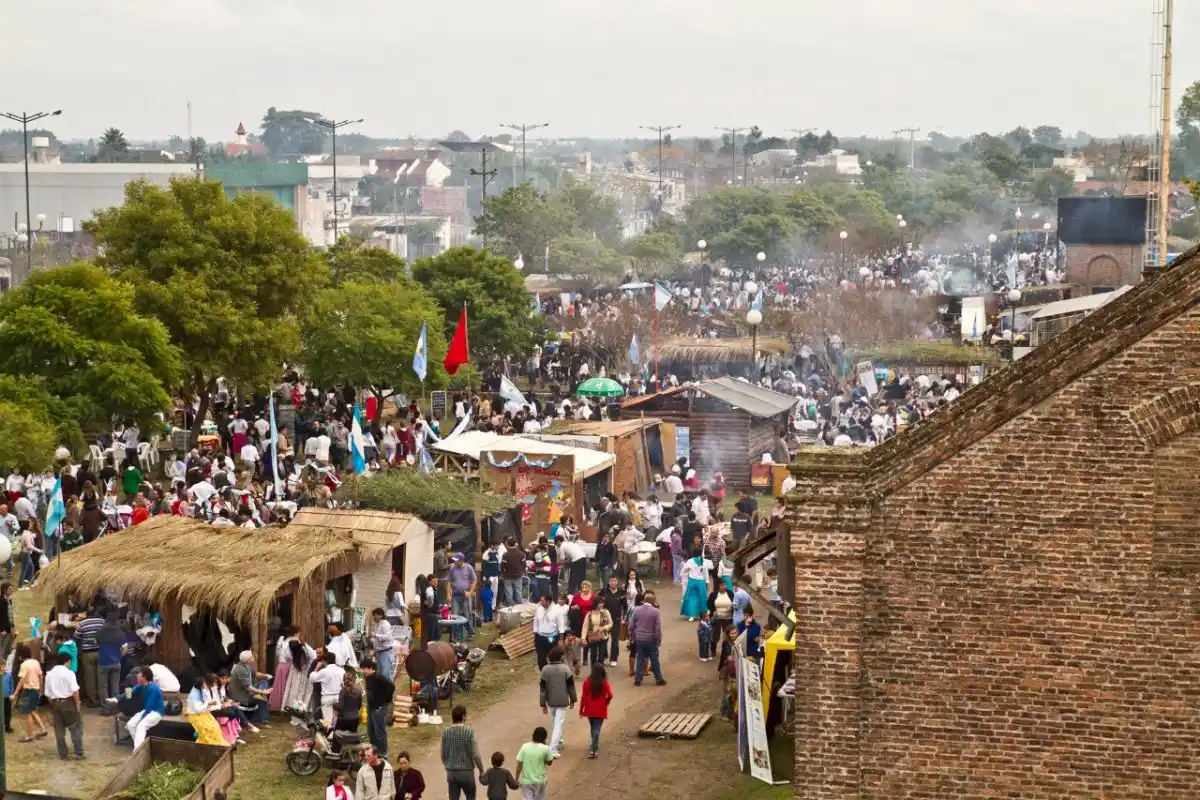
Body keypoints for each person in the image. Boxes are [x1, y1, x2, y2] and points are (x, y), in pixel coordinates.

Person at [45, 651, 85, 760]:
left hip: (55, 703)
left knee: (59, 730)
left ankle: (63, 754)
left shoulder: (49, 674)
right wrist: (78, 703)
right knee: (75, 728)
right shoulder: (69, 673)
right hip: (68, 702)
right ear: (67, 662)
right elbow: (75, 691)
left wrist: (54, 704)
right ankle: (79, 753)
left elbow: (48, 694)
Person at [440, 705, 485, 800]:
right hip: (466, 772)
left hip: (451, 773)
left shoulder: (446, 732)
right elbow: (476, 755)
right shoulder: (469, 732)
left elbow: (443, 755)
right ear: (463, 716)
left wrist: (448, 766)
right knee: (470, 796)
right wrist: (481, 770)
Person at [538, 646, 576, 757]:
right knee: (558, 723)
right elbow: (571, 687)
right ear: (561, 657)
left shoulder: (545, 670)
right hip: (562, 701)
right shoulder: (565, 669)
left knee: (555, 721)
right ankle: (552, 749)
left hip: (551, 701)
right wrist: (573, 699)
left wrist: (543, 704)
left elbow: (543, 689)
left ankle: (559, 741)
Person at [628, 590, 666, 687]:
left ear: (644, 600)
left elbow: (631, 625)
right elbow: (658, 628)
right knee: (654, 659)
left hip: (639, 639)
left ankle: (638, 680)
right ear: (653, 601)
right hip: (651, 639)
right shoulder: (656, 612)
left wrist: (632, 636)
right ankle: (659, 679)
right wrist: (658, 639)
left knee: (639, 658)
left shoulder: (637, 610)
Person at [11, 644, 48, 743]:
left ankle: (30, 736)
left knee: (28, 713)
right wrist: (41, 690)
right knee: (33, 711)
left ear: (21, 656)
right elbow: (41, 676)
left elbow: (21, 681)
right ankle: (43, 729)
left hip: (28, 690)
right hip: (36, 689)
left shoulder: (24, 665)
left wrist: (14, 694)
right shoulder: (35, 662)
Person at [578, 662, 612, 759]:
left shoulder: (587, 682)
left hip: (589, 708)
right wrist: (606, 702)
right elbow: (610, 695)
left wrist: (581, 709)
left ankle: (593, 744)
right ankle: (594, 749)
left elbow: (584, 697)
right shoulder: (604, 682)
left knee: (593, 727)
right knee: (597, 728)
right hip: (600, 708)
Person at [362, 659, 395, 758]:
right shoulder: (367, 677)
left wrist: (386, 700)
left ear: (370, 668)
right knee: (371, 731)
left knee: (379, 731)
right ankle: (374, 750)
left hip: (379, 707)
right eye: (362, 669)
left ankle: (383, 753)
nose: (363, 671)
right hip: (371, 706)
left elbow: (391, 686)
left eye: (364, 669)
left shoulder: (378, 677)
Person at [229, 650, 272, 726]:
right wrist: (262, 692)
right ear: (248, 660)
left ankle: (259, 695)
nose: (253, 657)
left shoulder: (246, 665)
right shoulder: (240, 669)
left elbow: (256, 674)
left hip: (248, 692)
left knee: (264, 682)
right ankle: (264, 720)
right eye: (252, 657)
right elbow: (248, 688)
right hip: (241, 696)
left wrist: (266, 676)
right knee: (261, 700)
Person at [127, 666, 165, 749]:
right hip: (147, 710)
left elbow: (149, 707)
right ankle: (141, 748)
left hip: (156, 712)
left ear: (144, 677)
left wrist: (141, 719)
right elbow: (131, 692)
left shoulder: (153, 688)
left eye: (139, 674)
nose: (137, 675)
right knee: (130, 725)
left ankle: (137, 750)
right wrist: (118, 697)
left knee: (141, 726)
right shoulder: (142, 685)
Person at [74, 607, 104, 707]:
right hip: (101, 652)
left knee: (90, 678)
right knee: (101, 676)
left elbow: (76, 637)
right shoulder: (102, 621)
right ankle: (102, 698)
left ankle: (93, 700)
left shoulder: (82, 624)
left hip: (88, 653)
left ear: (86, 614)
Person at [515, 726, 555, 800]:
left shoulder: (524, 747)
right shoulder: (545, 748)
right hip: (540, 781)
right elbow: (549, 762)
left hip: (527, 781)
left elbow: (519, 764)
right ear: (544, 738)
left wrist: (516, 778)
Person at [185, 675, 227, 746]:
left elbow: (205, 702)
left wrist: (210, 702)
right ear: (200, 685)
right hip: (195, 715)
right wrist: (208, 703)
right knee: (208, 727)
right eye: (204, 683)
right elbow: (198, 709)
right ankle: (207, 744)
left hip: (203, 713)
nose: (205, 684)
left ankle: (216, 743)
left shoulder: (200, 690)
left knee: (216, 726)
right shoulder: (194, 695)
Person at [310, 651, 347, 725]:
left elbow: (312, 678)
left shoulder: (324, 671)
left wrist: (317, 668)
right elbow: (344, 683)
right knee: (338, 720)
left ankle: (328, 732)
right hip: (339, 696)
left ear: (324, 661)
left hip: (327, 697)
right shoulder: (342, 670)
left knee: (327, 721)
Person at [447, 554, 477, 639]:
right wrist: (448, 594)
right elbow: (449, 582)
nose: (454, 561)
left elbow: (474, 581)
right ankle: (455, 635)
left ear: (461, 560)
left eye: (456, 560)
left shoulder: (469, 568)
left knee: (467, 614)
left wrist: (470, 592)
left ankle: (470, 633)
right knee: (454, 615)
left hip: (465, 596)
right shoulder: (452, 569)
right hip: (455, 596)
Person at [532, 594, 565, 671]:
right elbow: (536, 622)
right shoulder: (539, 609)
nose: (541, 602)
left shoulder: (557, 610)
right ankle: (544, 673)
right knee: (541, 658)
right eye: (540, 600)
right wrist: (535, 633)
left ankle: (553, 672)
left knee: (553, 656)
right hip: (540, 637)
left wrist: (561, 640)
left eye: (542, 601)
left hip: (551, 638)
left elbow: (561, 626)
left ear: (548, 601)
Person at [579, 600, 612, 668]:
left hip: (603, 636)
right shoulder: (589, 614)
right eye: (600, 603)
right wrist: (583, 638)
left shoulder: (606, 612)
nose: (601, 604)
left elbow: (611, 623)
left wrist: (603, 628)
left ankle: (600, 672)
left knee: (601, 656)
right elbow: (585, 627)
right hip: (593, 637)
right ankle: (593, 671)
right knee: (593, 656)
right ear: (595, 604)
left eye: (602, 603)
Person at [679, 554, 711, 621]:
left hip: (692, 582)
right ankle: (703, 613)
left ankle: (692, 615)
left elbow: (684, 570)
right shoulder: (704, 561)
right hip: (701, 582)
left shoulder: (690, 561)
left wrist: (682, 574)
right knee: (702, 598)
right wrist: (707, 582)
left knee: (691, 598)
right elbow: (706, 573)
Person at [371, 608, 396, 680]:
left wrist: (376, 635)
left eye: (375, 615)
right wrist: (375, 650)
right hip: (380, 652)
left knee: (386, 675)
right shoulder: (379, 624)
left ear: (381, 615)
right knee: (381, 674)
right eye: (373, 615)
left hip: (386, 652)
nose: (373, 617)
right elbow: (377, 640)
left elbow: (388, 637)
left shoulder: (385, 624)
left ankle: (388, 687)